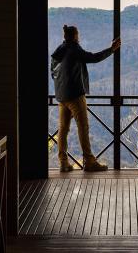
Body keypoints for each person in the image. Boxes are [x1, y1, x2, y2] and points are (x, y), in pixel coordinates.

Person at [50, 25, 121, 172]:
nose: (79, 36)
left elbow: (53, 72)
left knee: (63, 129)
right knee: (83, 127)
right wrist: (112, 49)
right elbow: (93, 58)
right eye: (78, 34)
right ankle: (89, 161)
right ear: (75, 35)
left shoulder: (59, 50)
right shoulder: (74, 49)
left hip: (61, 96)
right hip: (75, 95)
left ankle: (63, 163)